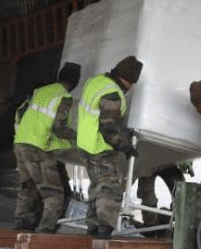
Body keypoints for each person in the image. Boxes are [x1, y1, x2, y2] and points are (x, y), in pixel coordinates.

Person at [77, 55, 142, 238]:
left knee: (97, 186)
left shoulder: (96, 81)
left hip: (85, 144)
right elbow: (109, 129)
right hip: (99, 148)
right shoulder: (113, 93)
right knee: (111, 188)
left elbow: (99, 116)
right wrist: (127, 147)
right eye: (132, 83)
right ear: (127, 80)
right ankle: (103, 234)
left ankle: (92, 230)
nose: (132, 87)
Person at [13, 62, 81, 232]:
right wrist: (80, 137)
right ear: (75, 82)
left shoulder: (41, 91)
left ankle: (22, 227)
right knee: (54, 193)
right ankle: (45, 232)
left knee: (28, 187)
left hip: (20, 142)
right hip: (38, 147)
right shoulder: (64, 97)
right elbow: (59, 128)